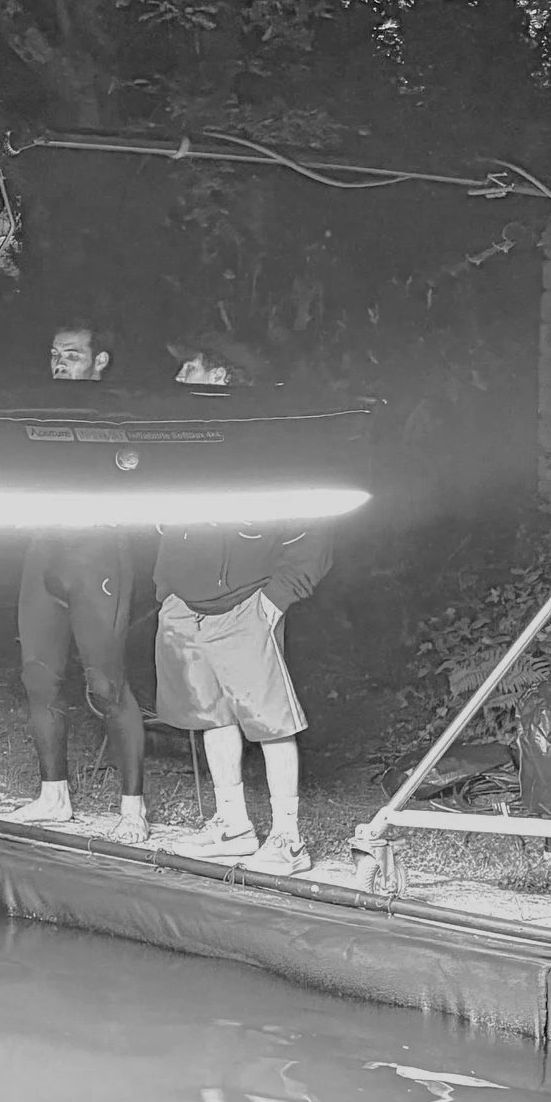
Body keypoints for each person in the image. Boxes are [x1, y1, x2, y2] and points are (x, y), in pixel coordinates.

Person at [152, 344, 331, 875]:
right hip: (186, 606)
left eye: (190, 367)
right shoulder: (178, 439)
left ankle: (288, 839)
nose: (178, 375)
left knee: (272, 724)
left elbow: (313, 533)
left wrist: (276, 601)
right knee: (211, 717)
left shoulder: (267, 440)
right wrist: (167, 590)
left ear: (221, 376)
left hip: (246, 607)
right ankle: (233, 826)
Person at [6, 318, 149, 842]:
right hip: (44, 551)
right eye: (54, 353)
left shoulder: (122, 412)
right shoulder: (39, 411)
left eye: (71, 353)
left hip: (98, 556)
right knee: (38, 678)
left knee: (107, 685)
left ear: (100, 361)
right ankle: (53, 796)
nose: (59, 361)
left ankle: (132, 809)